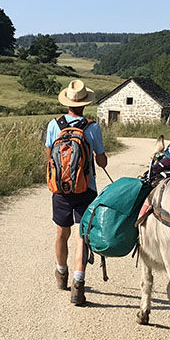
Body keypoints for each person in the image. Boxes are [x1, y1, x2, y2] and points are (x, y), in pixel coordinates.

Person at [45, 79, 107, 306]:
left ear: (67, 102)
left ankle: (61, 273)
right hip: (86, 189)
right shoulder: (92, 127)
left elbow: (49, 156)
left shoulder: (54, 125)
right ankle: (78, 283)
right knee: (83, 236)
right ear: (85, 104)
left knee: (62, 232)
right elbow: (101, 160)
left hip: (60, 189)